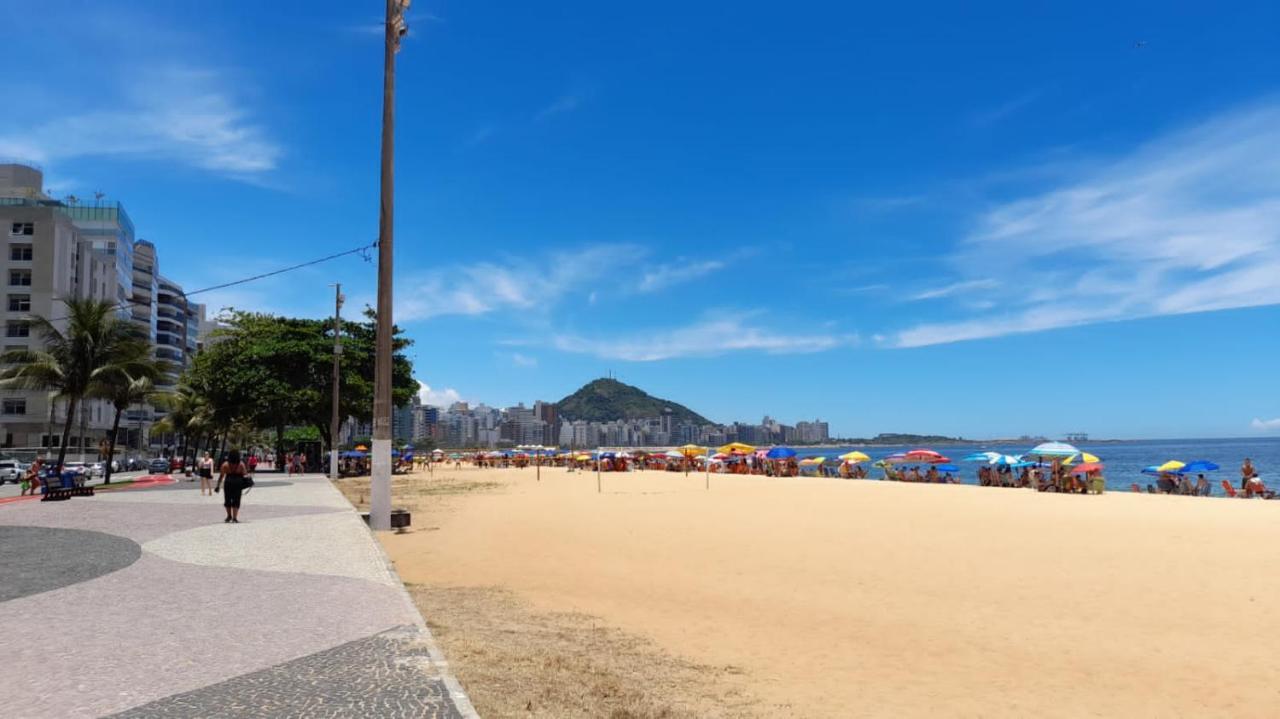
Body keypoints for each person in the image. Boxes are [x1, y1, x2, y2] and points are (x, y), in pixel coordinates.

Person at [215, 449, 250, 524]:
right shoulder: (241, 464)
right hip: (238, 482)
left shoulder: (225, 464)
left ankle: (229, 516)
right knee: (236, 499)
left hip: (228, 482)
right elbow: (245, 474)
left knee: (227, 499)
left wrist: (218, 486)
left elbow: (221, 476)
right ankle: (235, 518)